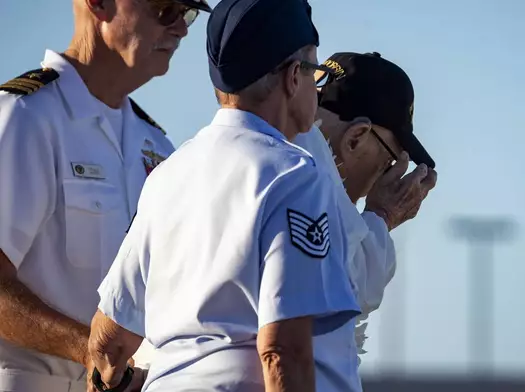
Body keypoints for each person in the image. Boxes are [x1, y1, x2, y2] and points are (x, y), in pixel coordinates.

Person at [86, 0, 363, 391]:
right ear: (292, 78)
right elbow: (283, 351)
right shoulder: (294, 176)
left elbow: (108, 345)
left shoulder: (167, 176)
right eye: (314, 70)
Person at [0, 1, 211, 391]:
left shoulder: (157, 146)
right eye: (166, 9)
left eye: (188, 13)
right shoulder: (23, 118)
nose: (181, 28)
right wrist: (92, 351)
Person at [293, 51, 437, 361]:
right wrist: (382, 216)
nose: (385, 176)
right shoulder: (305, 188)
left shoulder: (273, 159)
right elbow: (342, 292)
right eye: (389, 161)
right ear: (356, 138)